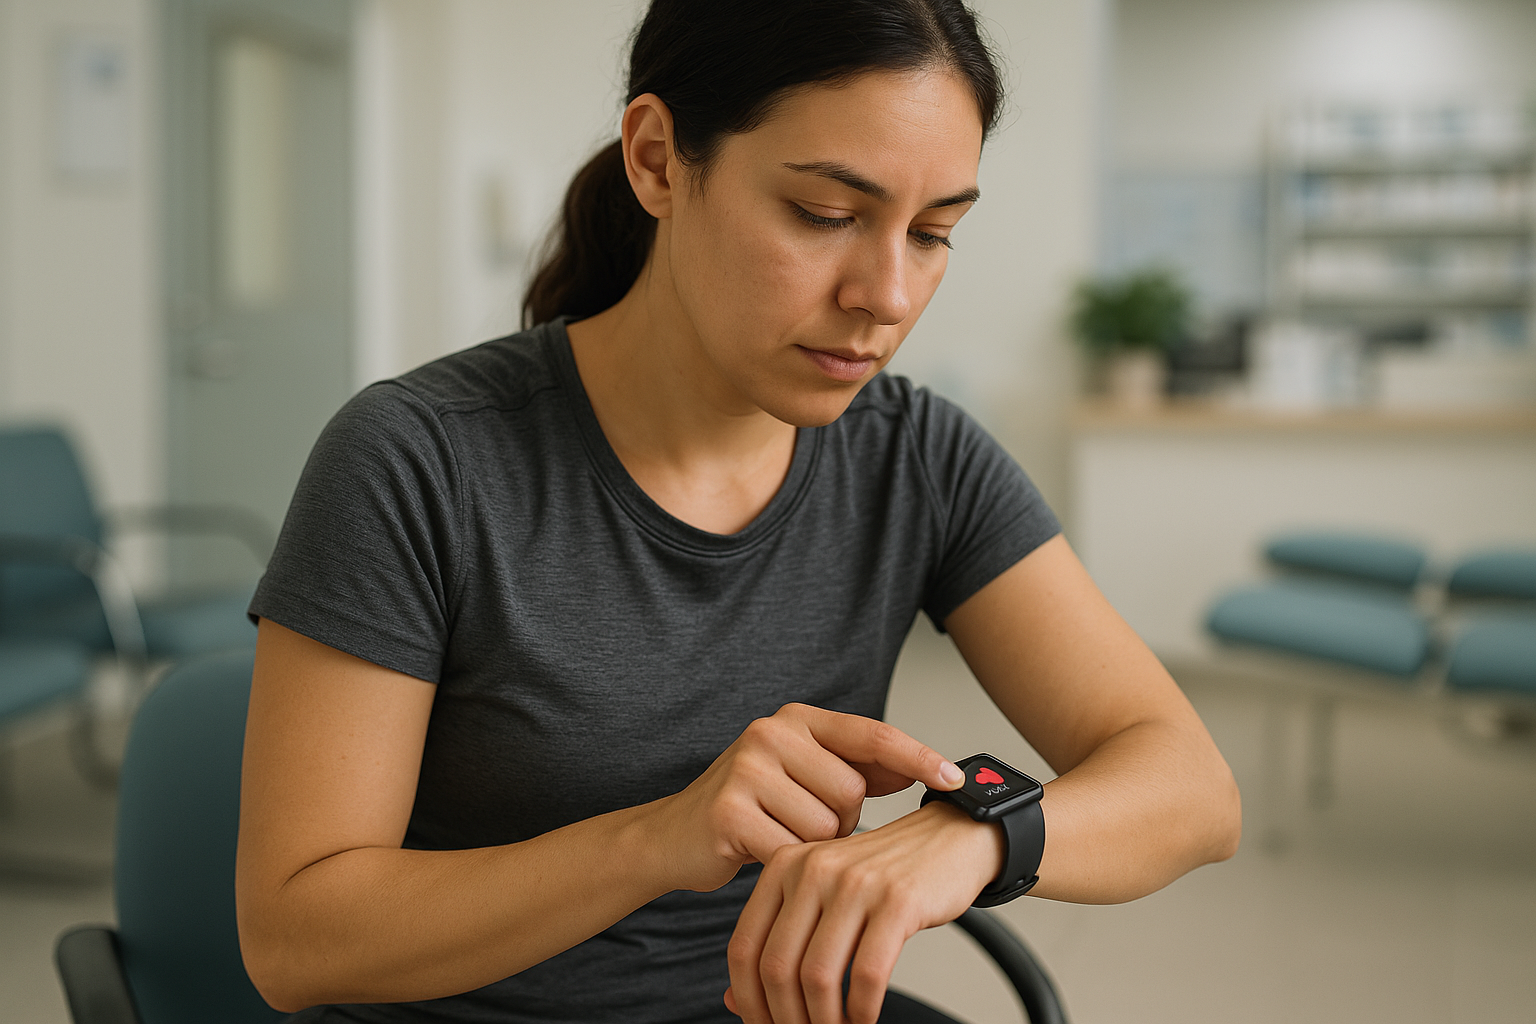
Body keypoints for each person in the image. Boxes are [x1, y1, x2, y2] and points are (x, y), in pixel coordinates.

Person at [235, 1, 1242, 1022]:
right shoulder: (420, 459)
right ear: (660, 159)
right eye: (825, 214)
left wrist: (979, 832)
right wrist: (656, 839)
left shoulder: (916, 456)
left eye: (935, 232)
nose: (887, 293)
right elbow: (294, 939)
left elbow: (1191, 788)